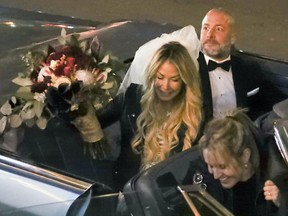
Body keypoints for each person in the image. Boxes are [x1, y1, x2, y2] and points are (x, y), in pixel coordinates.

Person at [119, 8, 285, 121]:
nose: (210, 35)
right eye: (206, 28)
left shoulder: (248, 69)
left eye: (218, 29)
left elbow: (276, 101)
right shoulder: (186, 68)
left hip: (238, 144)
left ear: (233, 37)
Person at [96, 41, 202, 191]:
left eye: (174, 80)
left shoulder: (196, 115)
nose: (165, 86)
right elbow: (95, 120)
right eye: (160, 77)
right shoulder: (133, 97)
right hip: (125, 193)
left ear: (185, 81)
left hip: (168, 201)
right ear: (152, 75)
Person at [198, 108, 281, 216]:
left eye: (222, 166)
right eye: (211, 166)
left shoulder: (277, 177)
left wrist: (282, 204)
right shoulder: (204, 173)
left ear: (245, 156)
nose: (216, 175)